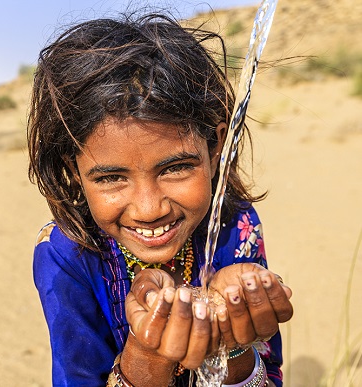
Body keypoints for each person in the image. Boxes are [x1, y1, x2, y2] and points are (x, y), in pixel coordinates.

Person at [27, 12, 293, 387]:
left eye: (175, 168)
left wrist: (234, 344)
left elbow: (267, 376)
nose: (150, 209)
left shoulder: (235, 224)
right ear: (74, 170)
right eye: (111, 177)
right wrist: (147, 354)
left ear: (216, 146)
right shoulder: (68, 255)